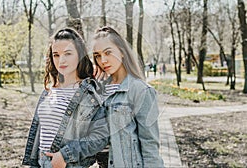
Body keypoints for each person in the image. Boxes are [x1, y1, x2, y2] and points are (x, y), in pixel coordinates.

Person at [22, 28, 109, 168]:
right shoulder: (48, 91)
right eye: (56, 55)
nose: (61, 60)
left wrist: (65, 155)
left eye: (68, 54)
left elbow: (100, 136)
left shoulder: (89, 94)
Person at [92, 26, 164, 167]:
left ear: (122, 51)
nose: (103, 60)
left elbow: (150, 146)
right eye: (97, 56)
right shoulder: (98, 91)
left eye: (108, 53)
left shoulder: (140, 91)